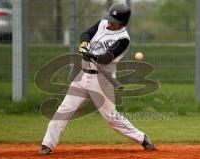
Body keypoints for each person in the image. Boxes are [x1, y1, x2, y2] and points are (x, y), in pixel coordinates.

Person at [40, 3, 155, 155]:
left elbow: (106, 58)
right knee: (64, 109)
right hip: (83, 76)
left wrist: (92, 55)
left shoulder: (123, 39)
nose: (111, 22)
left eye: (115, 21)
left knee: (111, 118)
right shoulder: (102, 23)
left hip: (102, 81)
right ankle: (47, 145)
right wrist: (84, 44)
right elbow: (86, 34)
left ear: (124, 23)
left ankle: (142, 139)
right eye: (111, 18)